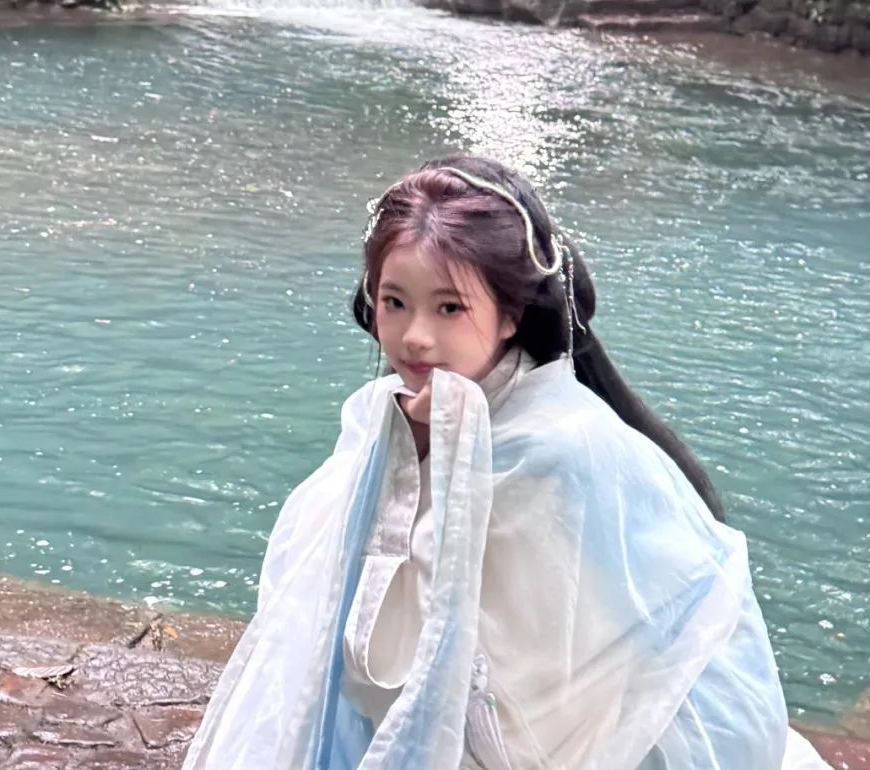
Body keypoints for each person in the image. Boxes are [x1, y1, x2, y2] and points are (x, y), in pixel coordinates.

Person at [182, 154, 827, 769]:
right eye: (394, 302)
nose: (415, 336)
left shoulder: (558, 446)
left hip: (561, 730)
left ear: (511, 314)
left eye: (450, 307)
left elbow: (534, 680)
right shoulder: (385, 413)